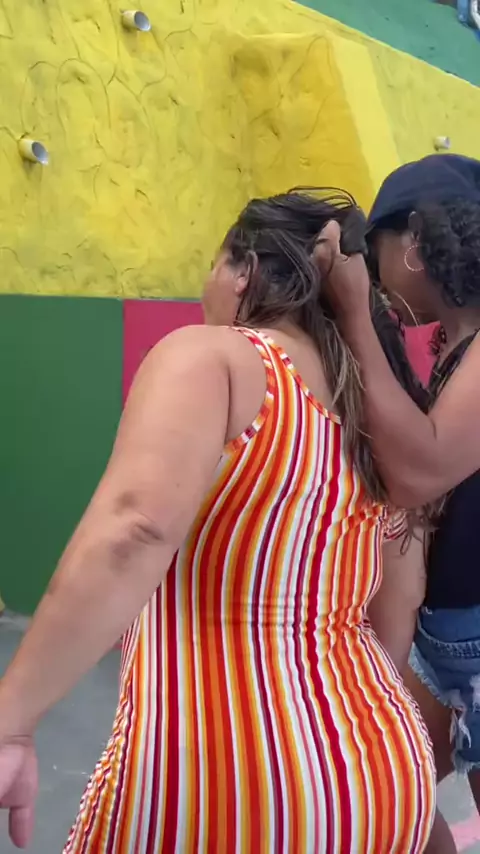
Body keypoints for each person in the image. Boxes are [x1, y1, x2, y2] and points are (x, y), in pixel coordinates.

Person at [0, 189, 435, 853]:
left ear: (244, 272)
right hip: (377, 771)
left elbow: (135, 529)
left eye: (211, 264)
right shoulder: (375, 417)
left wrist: (12, 719)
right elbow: (397, 604)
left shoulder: (218, 359)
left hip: (225, 777)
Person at [316, 153, 480, 854]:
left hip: (472, 637)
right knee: (385, 798)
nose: (376, 277)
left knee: (382, 797)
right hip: (446, 640)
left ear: (413, 240)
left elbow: (423, 468)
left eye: (375, 251)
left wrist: (355, 312)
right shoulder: (452, 342)